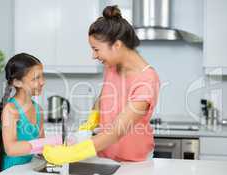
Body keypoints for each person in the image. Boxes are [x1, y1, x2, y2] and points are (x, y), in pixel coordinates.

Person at [43, 5, 160, 165]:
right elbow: (104, 97)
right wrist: (90, 122)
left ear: (117, 45)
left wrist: (71, 153)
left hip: (134, 163)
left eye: (96, 49)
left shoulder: (147, 79)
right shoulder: (112, 66)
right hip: (105, 157)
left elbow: (117, 131)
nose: (94, 55)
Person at [0, 53, 65, 175]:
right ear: (17, 82)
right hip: (6, 173)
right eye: (35, 78)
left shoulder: (38, 110)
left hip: (24, 171)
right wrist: (48, 142)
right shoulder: (11, 110)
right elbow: (11, 148)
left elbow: (41, 149)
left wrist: (61, 149)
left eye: (42, 76)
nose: (42, 82)